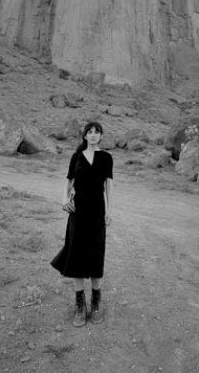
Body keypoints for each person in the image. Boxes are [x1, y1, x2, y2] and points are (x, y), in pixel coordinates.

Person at [50, 121, 113, 326]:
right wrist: (64, 200)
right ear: (85, 136)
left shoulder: (106, 158)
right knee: (76, 255)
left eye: (97, 132)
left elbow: (109, 186)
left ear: (101, 136)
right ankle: (80, 305)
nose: (93, 135)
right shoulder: (76, 157)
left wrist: (110, 211)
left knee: (95, 255)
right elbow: (68, 181)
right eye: (90, 132)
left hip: (97, 213)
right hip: (77, 213)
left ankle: (95, 303)